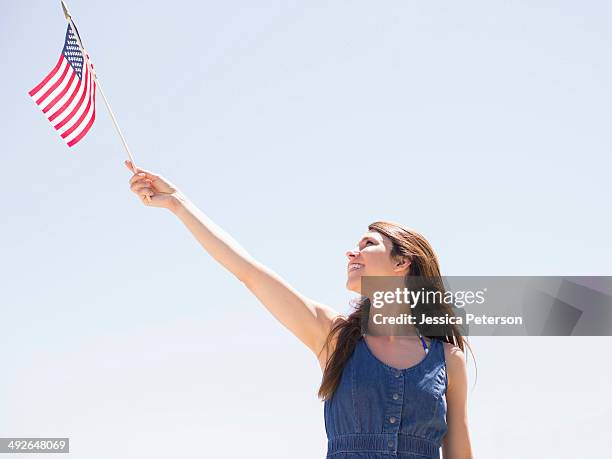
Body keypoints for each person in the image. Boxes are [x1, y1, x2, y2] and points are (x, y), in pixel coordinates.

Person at [124, 160, 474, 459]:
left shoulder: (448, 359)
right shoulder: (334, 336)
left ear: (403, 263)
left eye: (368, 244)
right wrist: (179, 203)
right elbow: (249, 272)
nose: (351, 252)